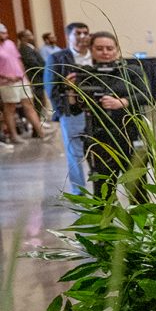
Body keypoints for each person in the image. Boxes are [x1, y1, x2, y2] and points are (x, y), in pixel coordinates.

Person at [61, 31, 150, 200]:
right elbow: (74, 110)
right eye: (99, 48)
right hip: (98, 138)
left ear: (117, 50)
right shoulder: (84, 74)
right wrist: (71, 90)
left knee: (138, 189)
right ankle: (105, 225)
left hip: (130, 136)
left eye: (109, 48)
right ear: (91, 50)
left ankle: (144, 225)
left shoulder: (131, 71)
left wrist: (122, 102)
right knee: (103, 191)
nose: (105, 52)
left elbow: (146, 95)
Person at [48, 22, 92, 190]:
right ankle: (78, 190)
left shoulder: (94, 55)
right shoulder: (58, 58)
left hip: (96, 110)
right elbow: (51, 87)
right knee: (74, 154)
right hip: (71, 112)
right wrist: (62, 112)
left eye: (85, 33)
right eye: (78, 33)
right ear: (68, 37)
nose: (82, 37)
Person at [0, 23, 43, 146]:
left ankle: (41, 132)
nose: (5, 35)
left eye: (5, 32)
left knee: (30, 105)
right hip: (6, 82)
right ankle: (14, 135)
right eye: (2, 33)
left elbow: (18, 60)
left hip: (21, 79)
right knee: (10, 108)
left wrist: (25, 76)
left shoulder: (10, 44)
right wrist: (6, 76)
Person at [18, 29, 48, 121]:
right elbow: (32, 63)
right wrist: (44, 71)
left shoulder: (30, 47)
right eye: (29, 35)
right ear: (23, 38)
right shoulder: (24, 48)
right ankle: (37, 125)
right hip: (34, 77)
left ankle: (40, 121)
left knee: (40, 100)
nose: (32, 36)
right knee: (37, 101)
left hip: (39, 77)